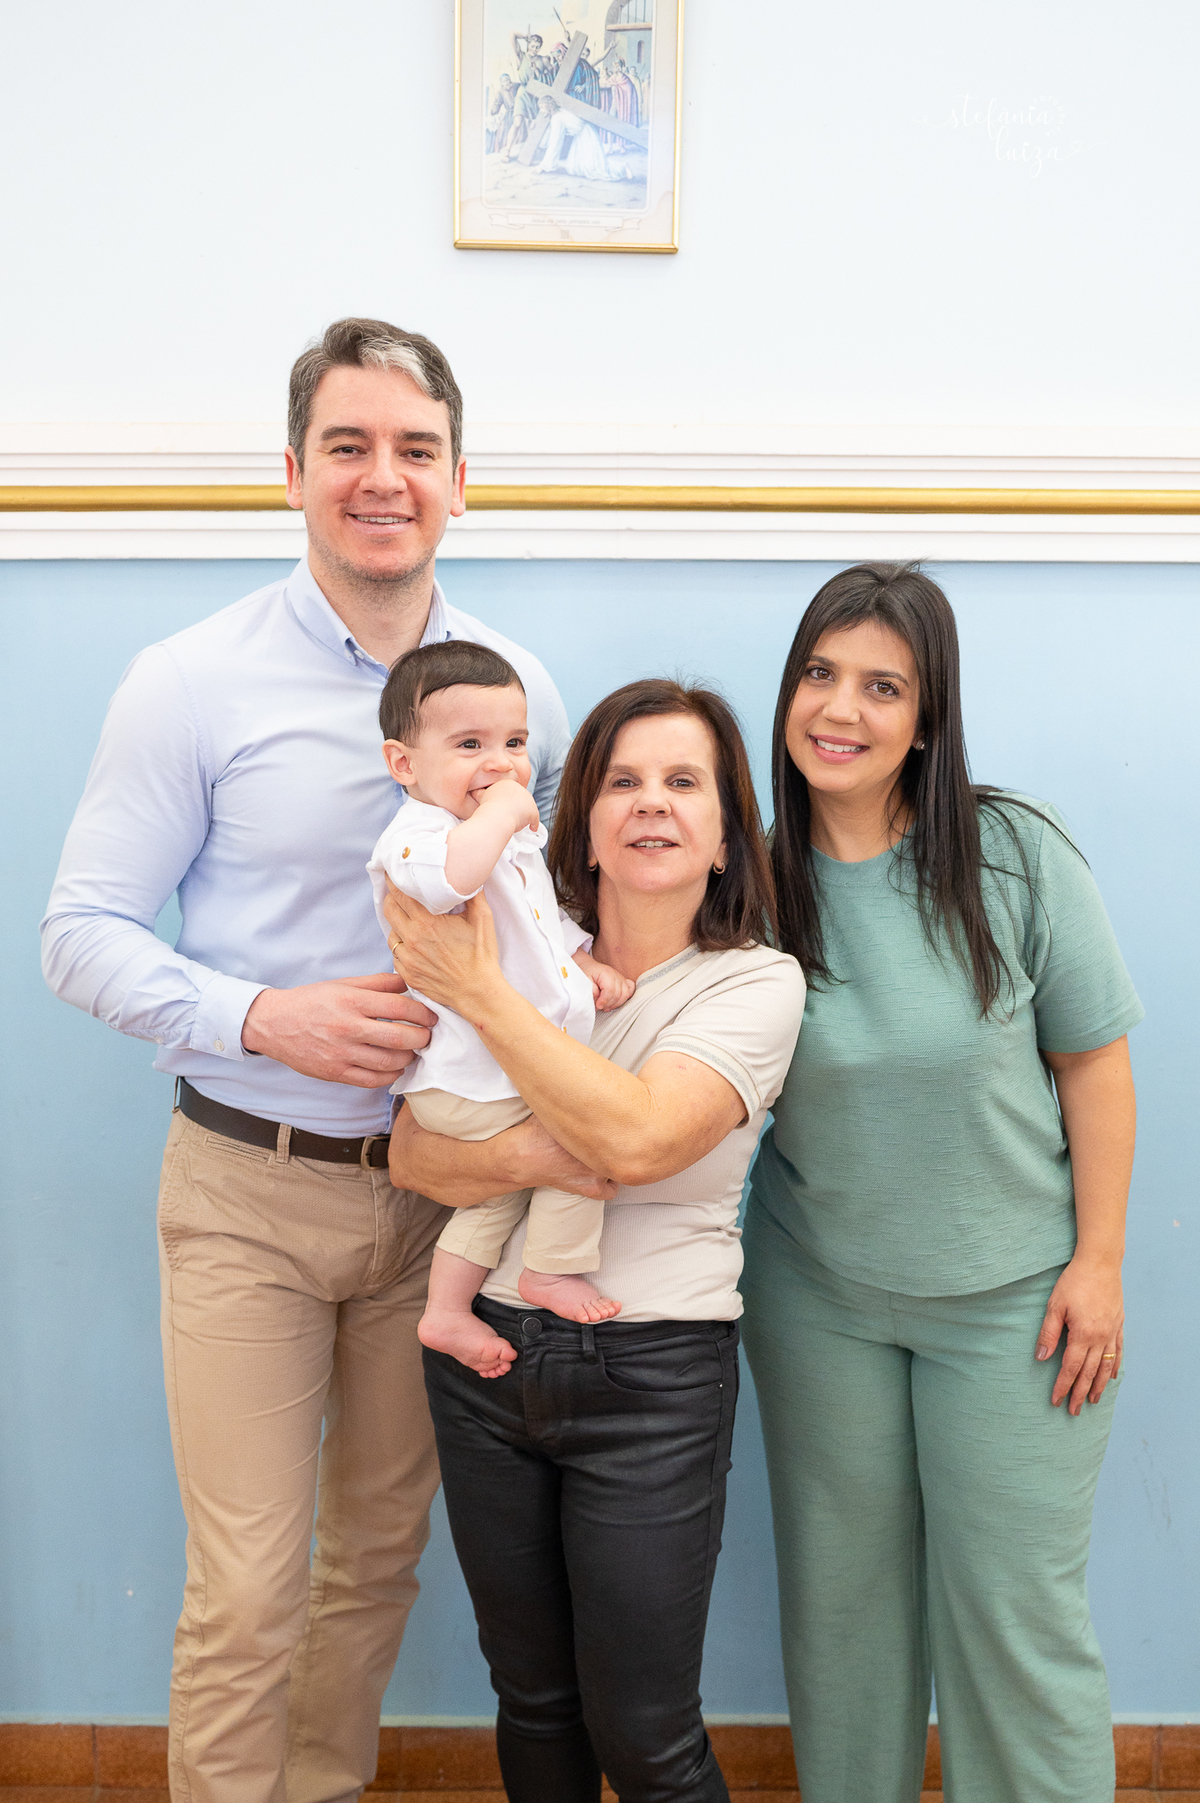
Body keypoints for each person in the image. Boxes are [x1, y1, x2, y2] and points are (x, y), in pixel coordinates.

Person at [40, 318, 592, 1803]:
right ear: (292, 472)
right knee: (247, 1586)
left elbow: (543, 909)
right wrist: (259, 1016)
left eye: (416, 449)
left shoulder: (520, 688)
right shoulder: (188, 681)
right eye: (347, 446)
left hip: (443, 1198)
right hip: (248, 1190)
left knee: (376, 1566)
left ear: (461, 480)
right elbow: (77, 934)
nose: (382, 477)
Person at [739, 562, 1142, 1803]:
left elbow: (1094, 1064)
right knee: (843, 1622)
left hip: (1018, 1306)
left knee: (1015, 1623)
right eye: (820, 674)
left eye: (883, 686)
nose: (839, 709)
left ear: (927, 718)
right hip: (818, 1301)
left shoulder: (1015, 854)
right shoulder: (750, 883)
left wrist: (1100, 1263)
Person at [383, 679, 806, 1803]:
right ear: (581, 825)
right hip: (484, 1366)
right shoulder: (523, 950)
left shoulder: (757, 983)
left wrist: (480, 993)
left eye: (684, 782)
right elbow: (415, 1155)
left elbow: (639, 1140)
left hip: (651, 1374)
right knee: (533, 1701)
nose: (650, 802)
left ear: (727, 836)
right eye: (622, 780)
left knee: (646, 1734)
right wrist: (536, 1139)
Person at [367, 639, 633, 1369]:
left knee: (495, 1197)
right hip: (468, 1075)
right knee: (583, 1140)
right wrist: (510, 808)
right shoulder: (419, 836)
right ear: (404, 765)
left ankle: (446, 1310)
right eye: (470, 745)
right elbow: (450, 881)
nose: (501, 762)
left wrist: (581, 959)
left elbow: (534, 919)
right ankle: (550, 1267)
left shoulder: (504, 840)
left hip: (498, 1070)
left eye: (515, 743)